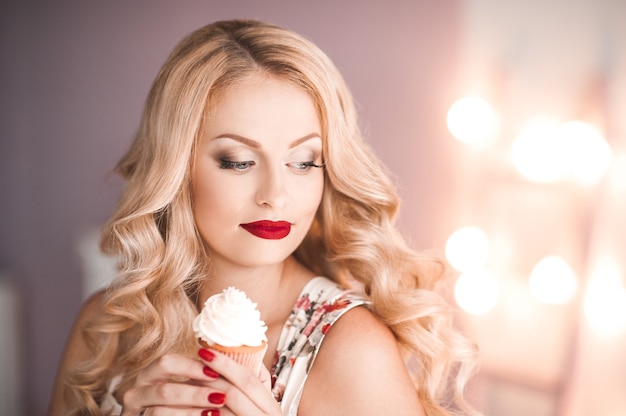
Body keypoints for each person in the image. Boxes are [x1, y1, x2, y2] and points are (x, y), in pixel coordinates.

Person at [49, 19, 480, 416]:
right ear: (177, 170)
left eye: (305, 161)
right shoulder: (106, 326)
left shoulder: (350, 350)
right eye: (239, 161)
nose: (275, 195)